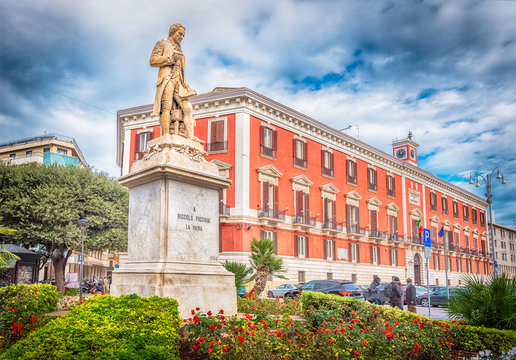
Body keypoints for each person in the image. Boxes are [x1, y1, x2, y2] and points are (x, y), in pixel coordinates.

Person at [150, 23, 196, 138]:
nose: (181, 37)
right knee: (167, 107)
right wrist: (170, 59)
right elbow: (152, 60)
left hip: (179, 82)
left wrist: (184, 82)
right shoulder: (162, 44)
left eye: (182, 36)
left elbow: (181, 69)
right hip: (167, 79)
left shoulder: (181, 51)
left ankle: (190, 136)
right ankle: (166, 135)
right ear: (172, 33)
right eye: (179, 34)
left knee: (187, 107)